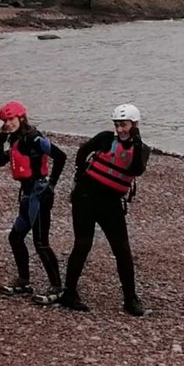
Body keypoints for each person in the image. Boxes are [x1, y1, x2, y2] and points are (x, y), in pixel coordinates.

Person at [54, 103, 150, 316]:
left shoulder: (141, 149)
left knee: (122, 250)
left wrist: (136, 140)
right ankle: (69, 293)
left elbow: (137, 169)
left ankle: (130, 299)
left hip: (111, 203)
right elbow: (83, 150)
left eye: (124, 125)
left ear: (134, 125)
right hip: (86, 197)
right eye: (117, 124)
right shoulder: (105, 138)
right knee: (82, 244)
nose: (119, 129)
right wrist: (79, 174)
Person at [0, 100, 67, 298]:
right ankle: (24, 281)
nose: (8, 123)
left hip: (39, 195)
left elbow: (61, 156)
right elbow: (0, 160)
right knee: (15, 237)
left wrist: (52, 184)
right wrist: (1, 138)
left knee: (41, 243)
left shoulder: (33, 138)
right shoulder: (17, 139)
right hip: (27, 196)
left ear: (21, 117)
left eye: (11, 119)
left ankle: (58, 288)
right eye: (5, 120)